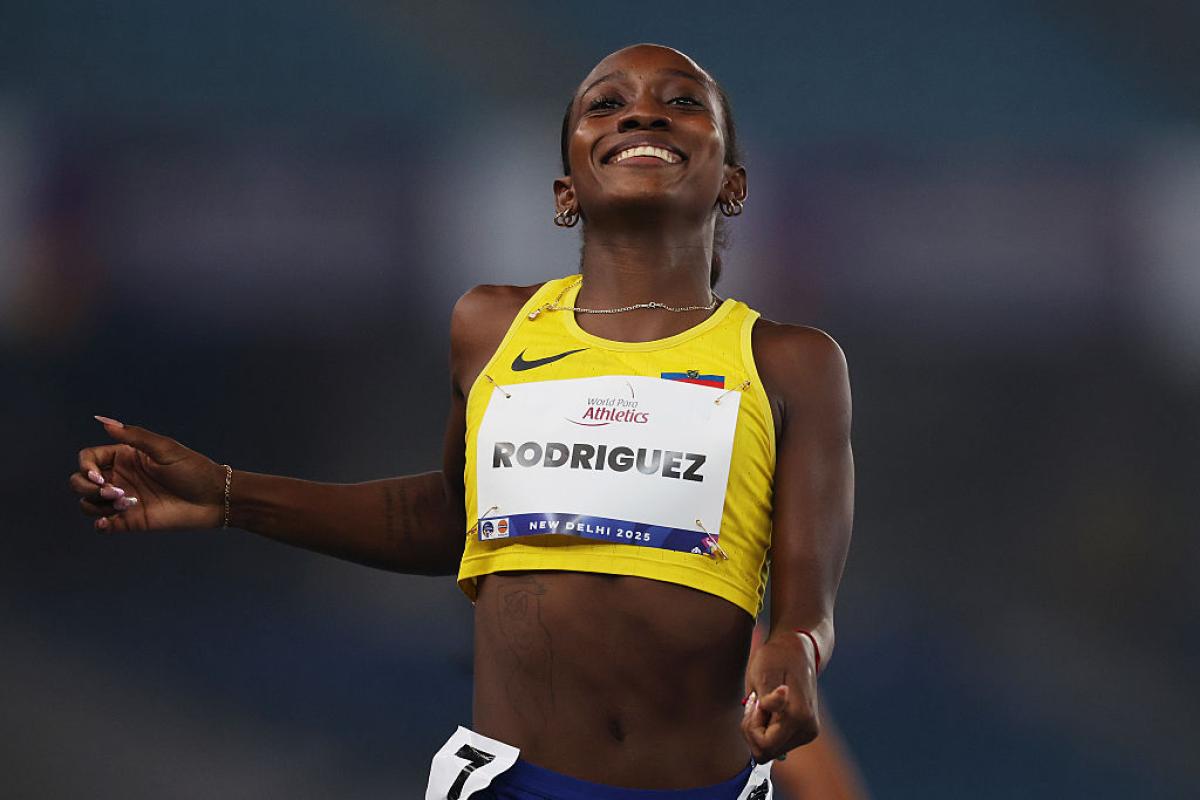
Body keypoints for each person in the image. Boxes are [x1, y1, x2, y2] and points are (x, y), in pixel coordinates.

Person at [70, 44, 855, 799]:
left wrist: (796, 655)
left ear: (735, 185)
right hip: (510, 785)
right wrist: (230, 495)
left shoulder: (791, 363)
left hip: (704, 789)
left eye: (682, 104)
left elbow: (805, 609)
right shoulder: (492, 327)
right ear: (565, 194)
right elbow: (450, 517)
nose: (642, 115)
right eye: (606, 104)